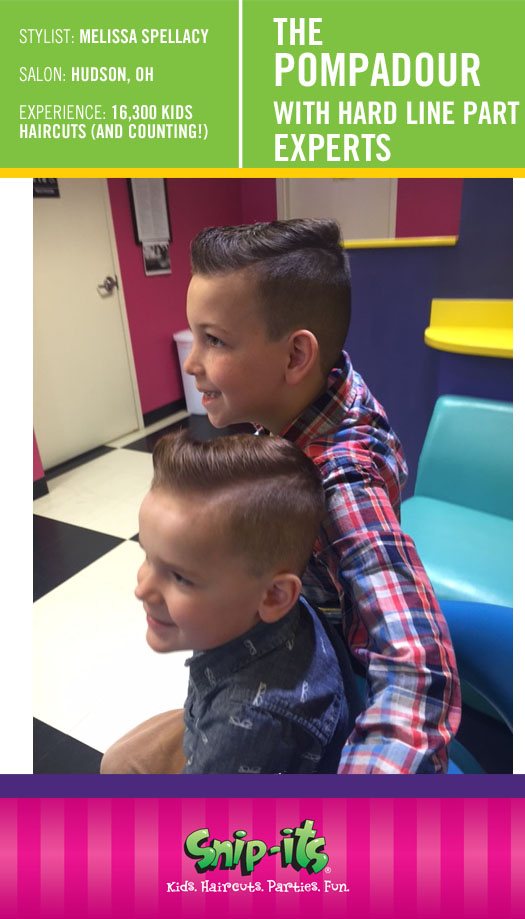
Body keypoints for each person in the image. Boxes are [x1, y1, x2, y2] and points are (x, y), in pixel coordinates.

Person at [182, 217, 461, 774]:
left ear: (294, 357)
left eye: (213, 341)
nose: (192, 363)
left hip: (317, 668)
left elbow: (421, 671)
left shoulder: (340, 482)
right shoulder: (327, 387)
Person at [101, 429, 356, 774]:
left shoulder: (243, 726)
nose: (142, 589)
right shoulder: (260, 610)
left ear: (274, 596)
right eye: (148, 555)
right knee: (117, 761)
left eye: (180, 577)